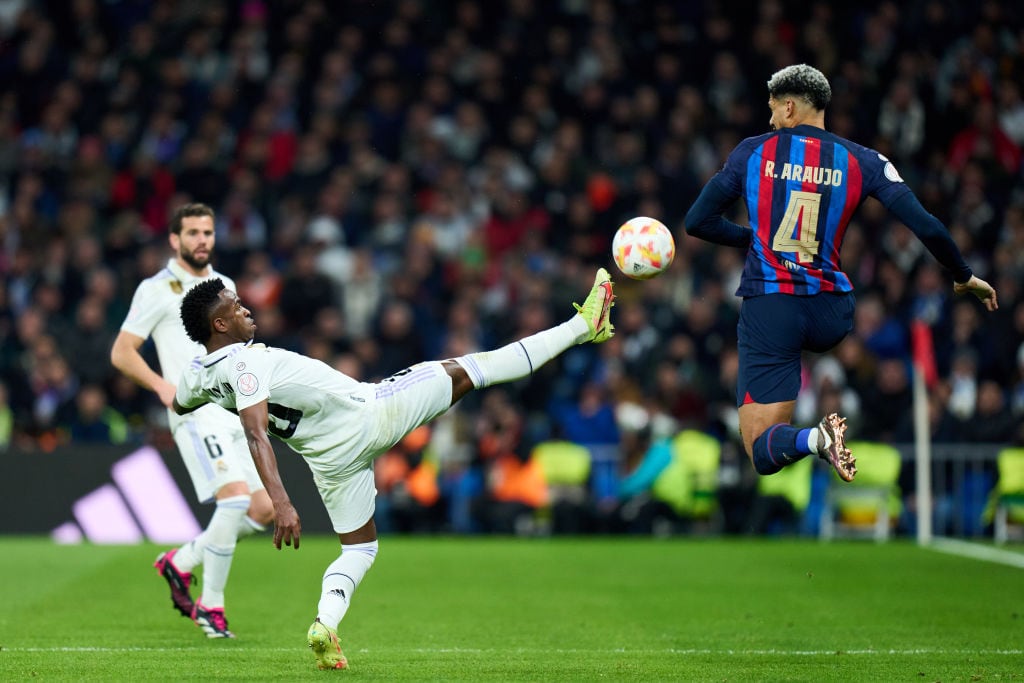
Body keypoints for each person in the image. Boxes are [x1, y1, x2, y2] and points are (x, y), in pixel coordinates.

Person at [171, 269, 615, 670]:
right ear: (220, 325)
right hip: (369, 414)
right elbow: (254, 432)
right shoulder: (245, 363)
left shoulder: (199, 374)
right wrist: (281, 502)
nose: (247, 309)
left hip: (330, 461)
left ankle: (325, 624)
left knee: (359, 549)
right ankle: (582, 327)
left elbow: (179, 400)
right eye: (236, 307)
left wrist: (187, 395)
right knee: (474, 368)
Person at [683, 64, 998, 483]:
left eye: (774, 109)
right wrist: (964, 275)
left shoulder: (752, 152)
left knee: (761, 450)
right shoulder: (864, 160)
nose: (771, 118)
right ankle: (823, 429)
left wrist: (758, 240)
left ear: (791, 106)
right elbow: (926, 225)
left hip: (773, 306)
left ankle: (815, 439)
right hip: (833, 312)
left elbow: (697, 222)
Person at [110, 203, 274, 638]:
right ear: (174, 240)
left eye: (208, 232)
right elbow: (122, 352)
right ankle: (211, 607)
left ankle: (180, 562)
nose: (202, 239)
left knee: (264, 509)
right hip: (195, 413)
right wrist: (164, 387)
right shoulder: (157, 288)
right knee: (235, 501)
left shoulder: (225, 286)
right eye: (193, 232)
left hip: (231, 410)